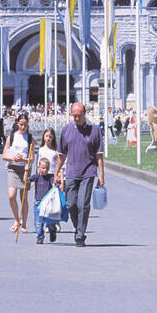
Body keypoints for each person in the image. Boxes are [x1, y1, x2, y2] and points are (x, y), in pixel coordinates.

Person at [55, 102, 104, 247]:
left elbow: (99, 155)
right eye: (74, 115)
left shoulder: (94, 130)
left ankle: (80, 235)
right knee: (71, 205)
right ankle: (78, 227)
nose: (76, 118)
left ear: (84, 114)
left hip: (88, 171)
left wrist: (101, 175)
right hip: (71, 172)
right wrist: (56, 173)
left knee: (83, 204)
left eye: (79, 115)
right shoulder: (66, 130)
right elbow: (61, 154)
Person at [3, 112, 34, 233]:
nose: (23, 127)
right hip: (12, 168)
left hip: (24, 169)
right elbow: (4, 155)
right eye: (21, 125)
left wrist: (24, 160)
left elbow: (32, 158)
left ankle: (24, 224)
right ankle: (17, 219)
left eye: (25, 125)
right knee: (11, 195)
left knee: (23, 198)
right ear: (17, 124)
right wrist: (13, 158)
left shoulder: (30, 138)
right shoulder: (11, 137)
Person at [29, 157, 60, 244]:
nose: (45, 170)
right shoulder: (36, 177)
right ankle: (40, 237)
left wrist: (57, 181)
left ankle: (52, 229)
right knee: (38, 221)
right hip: (38, 202)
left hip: (47, 203)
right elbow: (26, 181)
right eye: (43, 167)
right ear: (38, 167)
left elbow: (54, 183)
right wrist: (26, 171)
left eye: (47, 168)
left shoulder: (50, 177)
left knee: (49, 220)